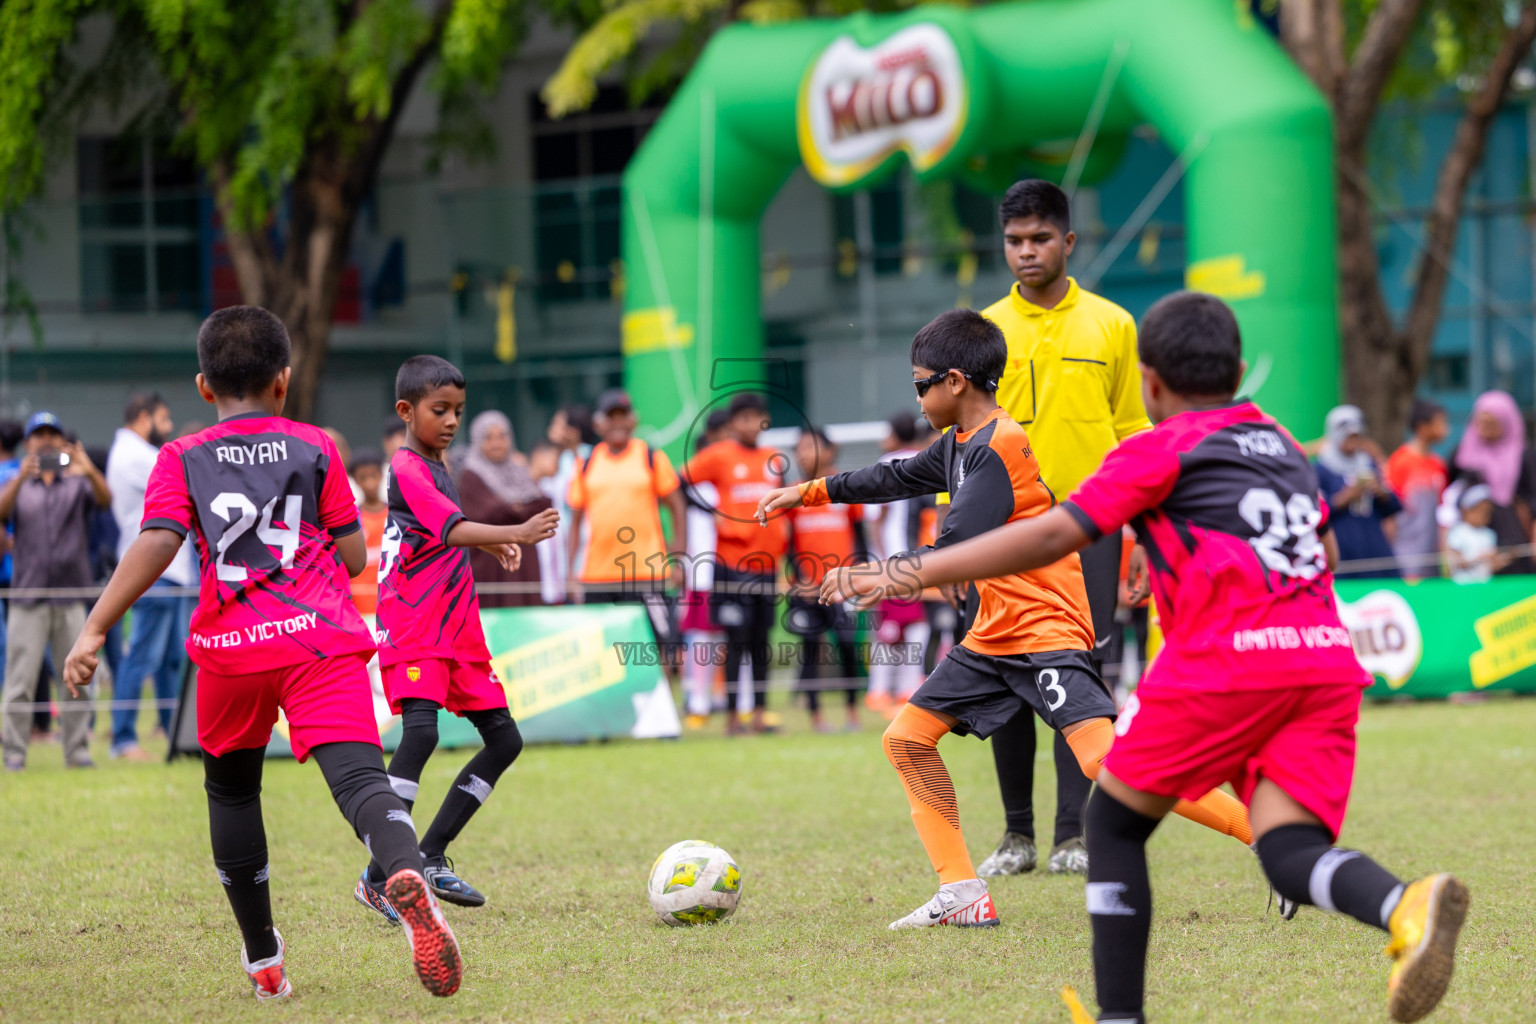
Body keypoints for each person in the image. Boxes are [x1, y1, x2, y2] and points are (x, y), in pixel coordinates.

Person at [831, 292, 1466, 1023]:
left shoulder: (1158, 447)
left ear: (1151, 382)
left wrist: (897, 575)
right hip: (1323, 661)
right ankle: (1403, 903)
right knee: (1288, 849)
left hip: (1228, 661)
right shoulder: (1284, 443)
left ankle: (1119, 1017)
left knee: (1112, 821)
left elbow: (1050, 536)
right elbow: (1319, 548)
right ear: (1235, 370)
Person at [761, 309, 1253, 931]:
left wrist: (871, 577)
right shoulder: (960, 444)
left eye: (921, 384)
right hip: (995, 633)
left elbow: (954, 553)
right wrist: (809, 492)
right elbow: (893, 476)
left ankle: (1262, 833)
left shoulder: (1001, 446)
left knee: (1106, 761)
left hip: (1046, 628)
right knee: (907, 739)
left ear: (956, 380)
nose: (916, 397)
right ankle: (961, 893)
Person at [61, 307, 463, 1000]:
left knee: (232, 791)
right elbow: (355, 553)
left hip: (231, 647)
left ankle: (264, 958)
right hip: (319, 637)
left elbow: (157, 542)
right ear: (284, 381)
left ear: (203, 386)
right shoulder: (315, 445)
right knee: (363, 782)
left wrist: (96, 627)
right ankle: (404, 875)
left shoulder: (180, 457)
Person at [970, 179, 1152, 879]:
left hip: (1093, 530)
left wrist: (1137, 531)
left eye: (1040, 238)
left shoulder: (1113, 323)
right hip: (999, 534)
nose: (1026, 252)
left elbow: (1134, 432)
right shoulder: (982, 332)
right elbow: (961, 438)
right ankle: (1016, 837)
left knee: (1081, 675)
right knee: (1003, 673)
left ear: (1068, 242)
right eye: (1014, 241)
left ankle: (1073, 834)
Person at [360, 356, 558, 915]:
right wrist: (514, 530)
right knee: (420, 735)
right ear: (406, 411)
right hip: (414, 620)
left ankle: (432, 853)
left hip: (457, 625)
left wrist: (490, 543)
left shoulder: (439, 465)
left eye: (458, 411)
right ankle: (380, 875)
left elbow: (439, 531)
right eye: (439, 410)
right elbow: (447, 527)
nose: (451, 421)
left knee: (505, 741)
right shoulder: (407, 467)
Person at [0, 412, 111, 771]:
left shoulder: (77, 482)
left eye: (52, 434)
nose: (45, 440)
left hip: (71, 594)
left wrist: (88, 468)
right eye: (38, 435)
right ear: (28, 442)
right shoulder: (18, 483)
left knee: (77, 678)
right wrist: (19, 479)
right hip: (28, 595)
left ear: (62, 441)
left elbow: (106, 501)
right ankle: (14, 752)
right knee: (20, 679)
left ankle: (77, 749)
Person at [684, 393, 789, 734]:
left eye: (756, 418)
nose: (750, 425)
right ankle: (731, 717)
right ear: (732, 423)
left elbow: (784, 503)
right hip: (731, 564)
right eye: (743, 418)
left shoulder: (773, 459)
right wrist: (713, 513)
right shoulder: (718, 455)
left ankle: (758, 713)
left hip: (767, 565)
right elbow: (679, 483)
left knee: (761, 641)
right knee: (735, 640)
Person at [107, 393, 196, 761]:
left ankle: (175, 735)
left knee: (171, 658)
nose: (169, 426)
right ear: (144, 418)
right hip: (153, 572)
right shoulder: (137, 455)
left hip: (168, 573)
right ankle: (122, 739)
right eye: (163, 418)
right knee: (142, 655)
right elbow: (190, 483)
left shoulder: (134, 454)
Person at [566, 389, 686, 657]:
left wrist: (678, 559)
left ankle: (662, 700)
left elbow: (678, 507)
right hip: (597, 577)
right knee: (602, 655)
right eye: (611, 418)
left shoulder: (651, 457)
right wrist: (571, 573)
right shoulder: (585, 464)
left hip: (646, 573)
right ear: (599, 423)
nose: (617, 424)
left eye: (623, 417)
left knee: (657, 650)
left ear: (634, 421)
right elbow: (574, 522)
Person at [784, 428, 865, 732]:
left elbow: (860, 537)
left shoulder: (845, 489)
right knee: (809, 649)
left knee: (846, 646)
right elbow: (789, 545)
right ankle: (816, 717)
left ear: (830, 451)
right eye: (800, 448)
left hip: (842, 588)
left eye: (812, 446)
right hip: (806, 589)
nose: (805, 453)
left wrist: (859, 575)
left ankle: (852, 713)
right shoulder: (793, 492)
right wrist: (800, 579)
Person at [864, 413, 931, 713]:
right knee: (916, 625)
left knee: (890, 630)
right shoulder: (927, 460)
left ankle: (882, 690)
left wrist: (880, 558)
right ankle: (905, 687)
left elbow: (877, 518)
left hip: (893, 558)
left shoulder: (886, 465)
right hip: (927, 558)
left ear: (894, 435)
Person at [457, 411, 553, 608]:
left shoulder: (519, 470)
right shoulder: (471, 475)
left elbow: (542, 505)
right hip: (491, 562)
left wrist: (512, 508)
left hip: (525, 560)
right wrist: (518, 509)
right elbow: (490, 512)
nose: (497, 443)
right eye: (488, 437)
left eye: (502, 436)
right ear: (477, 441)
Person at [679, 410, 731, 726]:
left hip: (727, 570)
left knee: (723, 637)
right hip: (701, 573)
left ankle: (719, 696)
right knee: (701, 639)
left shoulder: (725, 485)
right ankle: (697, 699)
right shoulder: (699, 489)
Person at [1447, 389, 1535, 574]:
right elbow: (1448, 488)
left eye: (1492, 424)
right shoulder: (1464, 451)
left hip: (1512, 535)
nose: (1485, 429)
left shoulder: (1524, 455)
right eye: (1480, 423)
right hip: (1471, 541)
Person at [1314, 405, 1402, 579]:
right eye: (1348, 437)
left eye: (1356, 436)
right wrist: (1343, 498)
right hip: (1342, 550)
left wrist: (1381, 492)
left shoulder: (1369, 464)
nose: (1353, 442)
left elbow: (1395, 506)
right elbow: (1313, 515)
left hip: (1374, 548)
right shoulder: (1321, 470)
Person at [1384, 400, 1449, 580]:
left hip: (1432, 553)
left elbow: (1442, 512)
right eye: (1440, 422)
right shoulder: (1400, 461)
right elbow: (1390, 511)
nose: (1446, 428)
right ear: (1422, 427)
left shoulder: (1438, 464)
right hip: (1406, 552)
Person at [528, 438, 568, 604]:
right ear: (538, 456)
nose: (557, 466)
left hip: (555, 581)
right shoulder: (520, 485)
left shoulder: (551, 487)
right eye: (554, 459)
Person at [350, 449, 388, 616]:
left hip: (390, 601)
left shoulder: (395, 516)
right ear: (355, 480)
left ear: (381, 474)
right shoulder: (352, 519)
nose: (370, 483)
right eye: (362, 478)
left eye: (374, 475)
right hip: (361, 605)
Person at [1445, 485, 1507, 584]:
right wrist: (1481, 558)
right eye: (1481, 511)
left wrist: (1503, 560)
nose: (1485, 516)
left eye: (1488, 512)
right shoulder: (1458, 532)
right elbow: (1459, 563)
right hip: (1463, 586)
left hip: (1485, 586)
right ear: (1466, 510)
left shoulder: (1489, 534)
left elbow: (1492, 566)